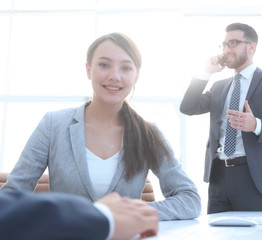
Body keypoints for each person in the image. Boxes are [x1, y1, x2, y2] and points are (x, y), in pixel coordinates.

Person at [1, 32, 201, 220]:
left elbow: (190, 200)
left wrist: (132, 212)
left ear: (136, 76)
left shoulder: (148, 133)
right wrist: (52, 218)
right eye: (104, 65)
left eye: (126, 68)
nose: (115, 76)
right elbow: (12, 196)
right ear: (88, 69)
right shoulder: (53, 125)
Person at [180, 23, 262, 213]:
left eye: (233, 43)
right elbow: (188, 107)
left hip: (254, 176)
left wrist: (257, 125)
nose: (225, 50)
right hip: (219, 176)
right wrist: (206, 72)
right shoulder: (219, 86)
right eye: (223, 45)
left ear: (251, 47)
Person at [0, 191, 158, 240]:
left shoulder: (148, 133)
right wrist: (101, 215)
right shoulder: (53, 123)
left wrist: (142, 211)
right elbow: (17, 188)